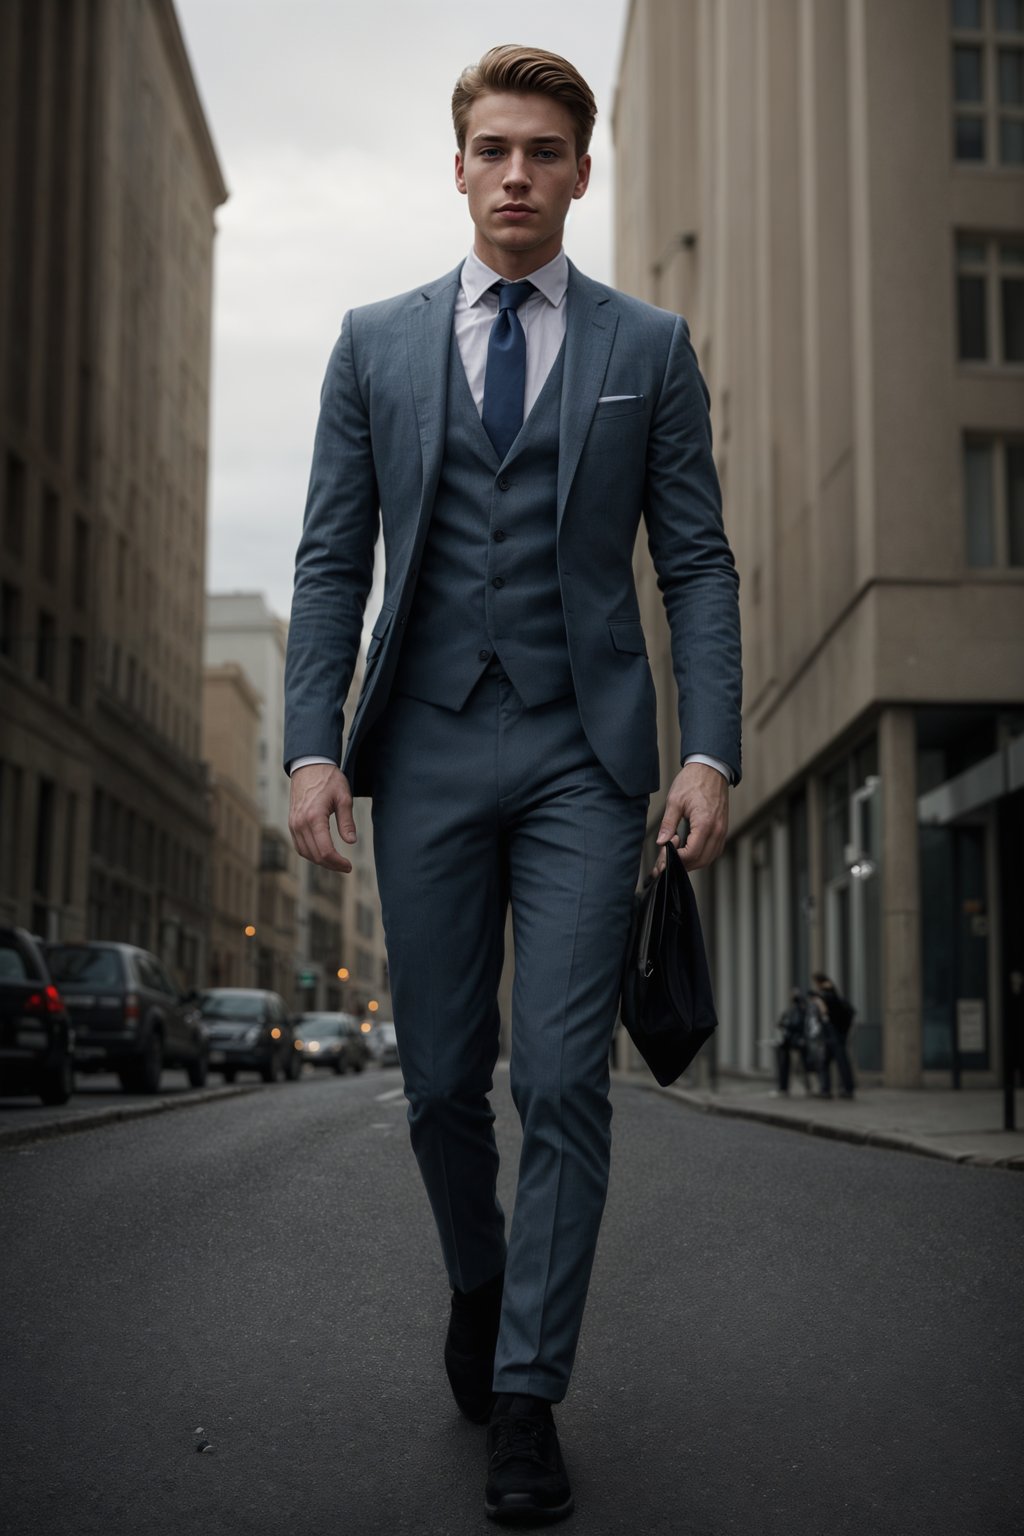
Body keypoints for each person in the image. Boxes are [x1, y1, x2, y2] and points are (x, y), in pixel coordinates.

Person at [284, 45, 741, 1526]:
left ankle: (530, 1391)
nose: (518, 174)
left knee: (558, 1078)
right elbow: (331, 559)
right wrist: (308, 747)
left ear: (581, 173)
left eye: (546, 151)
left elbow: (694, 565)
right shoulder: (375, 344)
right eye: (493, 149)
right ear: (460, 163)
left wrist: (707, 745)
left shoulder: (648, 349)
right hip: (418, 749)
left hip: (579, 757)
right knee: (434, 1089)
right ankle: (480, 1286)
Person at [809, 972, 856, 1099]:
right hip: (834, 1033)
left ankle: (845, 1089)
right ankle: (827, 1090)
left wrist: (819, 1001)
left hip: (834, 1033)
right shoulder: (831, 992)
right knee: (826, 1062)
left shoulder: (827, 994)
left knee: (840, 1062)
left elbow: (825, 1011)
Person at [774, 988, 814, 1095]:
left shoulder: (797, 1010)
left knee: (796, 1066)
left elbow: (793, 1023)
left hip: (795, 1042)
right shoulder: (800, 1009)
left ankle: (787, 1087)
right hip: (797, 1042)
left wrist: (784, 1024)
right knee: (801, 1067)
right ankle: (806, 1087)